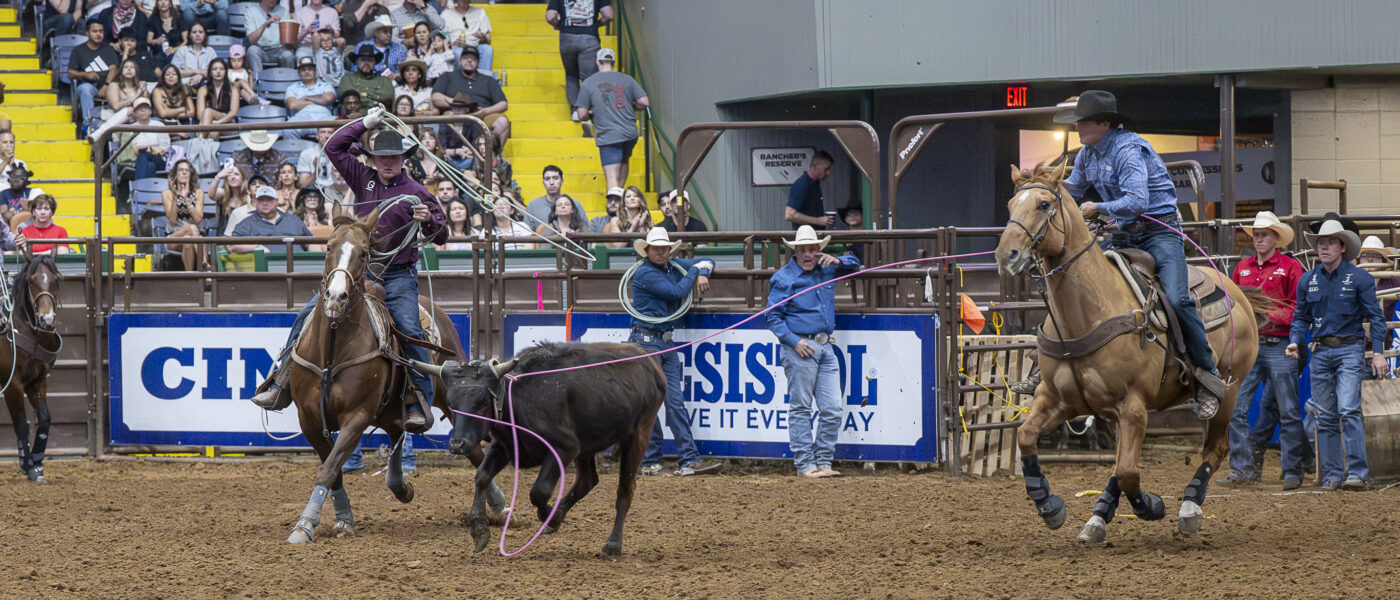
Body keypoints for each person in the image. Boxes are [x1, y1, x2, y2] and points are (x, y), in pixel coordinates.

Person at [249, 107, 448, 437]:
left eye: (394, 156)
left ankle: (419, 403)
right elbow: (334, 147)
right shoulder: (362, 177)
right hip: (360, 272)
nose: (388, 162)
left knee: (411, 327)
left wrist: (429, 219)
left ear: (403, 158)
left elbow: (441, 236)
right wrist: (365, 123)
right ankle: (282, 380)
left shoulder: (417, 192)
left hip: (398, 275)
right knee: (308, 315)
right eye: (381, 156)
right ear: (372, 158)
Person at [1056, 89, 1226, 418]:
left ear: (1104, 123)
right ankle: (1051, 364)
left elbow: (1137, 201)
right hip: (1122, 234)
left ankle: (1207, 375)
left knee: (1178, 299)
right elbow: (1071, 188)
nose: (1078, 128)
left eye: (1084, 121)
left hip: (1159, 234)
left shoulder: (1129, 149)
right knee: (1076, 277)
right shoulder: (1087, 154)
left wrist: (1097, 208)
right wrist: (1038, 190)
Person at [1288, 220, 1387, 492]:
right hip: (1321, 350)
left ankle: (1355, 473)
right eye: (1321, 243)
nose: (1324, 247)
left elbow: (1376, 319)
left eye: (1330, 242)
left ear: (1342, 247)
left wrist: (1377, 353)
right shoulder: (1309, 280)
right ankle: (1333, 475)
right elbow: (1300, 318)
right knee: (1326, 414)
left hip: (1350, 348)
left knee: (1347, 409)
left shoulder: (1358, 278)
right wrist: (1296, 342)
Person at [1218, 211, 1307, 490]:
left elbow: (1298, 308)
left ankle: (1291, 469)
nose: (1258, 239)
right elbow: (1231, 305)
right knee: (1236, 408)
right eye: (1256, 235)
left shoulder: (1291, 268)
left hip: (1279, 344)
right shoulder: (1242, 268)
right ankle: (1244, 469)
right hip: (1249, 347)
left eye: (1264, 235)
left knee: (1288, 409)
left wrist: (1266, 314)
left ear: (1276, 239)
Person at [766, 225, 860, 478]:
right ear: (795, 251)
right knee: (801, 407)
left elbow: (856, 264)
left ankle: (824, 461)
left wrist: (839, 259)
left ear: (819, 250)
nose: (808, 254)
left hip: (825, 346)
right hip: (801, 348)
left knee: (831, 408)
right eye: (803, 250)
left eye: (813, 249)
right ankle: (806, 464)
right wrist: (794, 342)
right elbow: (773, 317)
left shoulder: (828, 268)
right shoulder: (784, 278)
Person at [626, 227, 721, 476]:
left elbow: (708, 260)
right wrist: (696, 271)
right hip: (646, 343)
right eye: (657, 248)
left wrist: (703, 270)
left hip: (664, 343)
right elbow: (677, 292)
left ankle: (686, 458)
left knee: (674, 402)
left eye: (664, 248)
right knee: (652, 404)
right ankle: (650, 459)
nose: (661, 252)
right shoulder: (645, 273)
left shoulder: (671, 266)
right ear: (647, 250)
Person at [575, 48, 647, 190]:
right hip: (630, 133)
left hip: (609, 135)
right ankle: (621, 202)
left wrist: (591, 113)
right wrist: (632, 106)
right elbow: (644, 102)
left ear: (597, 62)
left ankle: (615, 207)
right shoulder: (627, 79)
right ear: (613, 62)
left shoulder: (589, 83)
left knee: (612, 177)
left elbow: (581, 114)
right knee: (624, 163)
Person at [430, 46, 510, 147]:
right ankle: (447, 156)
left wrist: (486, 111)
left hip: (482, 115)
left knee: (502, 122)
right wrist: (457, 103)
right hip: (455, 113)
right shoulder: (448, 76)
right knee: (447, 117)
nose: (469, 60)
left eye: (473, 58)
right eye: (465, 57)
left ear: (478, 63)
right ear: (460, 61)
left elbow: (503, 104)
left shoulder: (489, 80)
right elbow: (435, 97)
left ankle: (493, 159)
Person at [544, 0, 612, 115]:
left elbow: (550, 16)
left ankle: (576, 111)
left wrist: (559, 24)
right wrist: (597, 24)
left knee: (571, 75)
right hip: (589, 37)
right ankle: (588, 110)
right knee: (589, 77)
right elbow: (609, 15)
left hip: (567, 37)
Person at [68, 19, 120, 131]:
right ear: (87, 33)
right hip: (91, 86)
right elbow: (70, 73)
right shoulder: (79, 50)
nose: (98, 34)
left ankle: (114, 127)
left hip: (109, 86)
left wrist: (107, 86)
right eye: (95, 31)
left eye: (101, 31)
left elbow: (114, 68)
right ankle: (89, 124)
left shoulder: (108, 49)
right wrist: (86, 75)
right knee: (84, 88)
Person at [229, 185, 314, 253]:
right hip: (266, 270)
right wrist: (256, 247)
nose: (265, 203)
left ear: (277, 201)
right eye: (261, 200)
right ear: (255, 202)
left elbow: (312, 243)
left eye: (269, 199)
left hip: (300, 268)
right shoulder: (246, 224)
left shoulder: (293, 221)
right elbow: (233, 246)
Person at [86, 58, 149, 143]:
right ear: (121, 71)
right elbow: (116, 107)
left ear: (136, 71)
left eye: (132, 67)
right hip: (114, 116)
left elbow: (146, 107)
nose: (129, 69)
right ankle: (101, 134)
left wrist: (142, 92)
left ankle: (99, 133)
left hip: (135, 119)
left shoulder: (141, 87)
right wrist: (136, 96)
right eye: (126, 67)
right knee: (128, 110)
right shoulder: (114, 85)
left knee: (132, 111)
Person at [162, 159, 206, 270]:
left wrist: (186, 199)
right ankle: (206, 264)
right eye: (181, 170)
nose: (184, 172)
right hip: (173, 236)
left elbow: (198, 219)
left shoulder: (198, 193)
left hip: (192, 238)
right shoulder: (167, 194)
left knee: (188, 239)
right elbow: (172, 219)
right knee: (191, 229)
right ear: (175, 174)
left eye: (187, 170)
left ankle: (190, 276)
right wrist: (177, 196)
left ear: (191, 174)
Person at [284, 56, 338, 140]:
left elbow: (329, 99)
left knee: (342, 126)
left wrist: (305, 98)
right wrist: (319, 100)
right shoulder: (292, 88)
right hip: (303, 118)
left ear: (315, 71)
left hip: (325, 117)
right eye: (303, 69)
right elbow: (292, 105)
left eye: (310, 69)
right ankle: (295, 152)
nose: (307, 71)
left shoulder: (326, 85)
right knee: (288, 129)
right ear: (298, 72)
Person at [244, 0, 295, 79]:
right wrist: (266, 23)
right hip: (261, 49)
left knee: (288, 55)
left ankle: (286, 85)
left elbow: (287, 41)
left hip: (279, 49)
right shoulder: (251, 12)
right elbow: (251, 40)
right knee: (252, 50)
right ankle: (259, 83)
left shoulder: (283, 11)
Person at [785, 151, 835, 230]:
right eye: (826, 169)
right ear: (815, 166)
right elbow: (790, 215)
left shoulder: (815, 184)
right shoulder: (802, 185)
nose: (828, 173)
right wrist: (818, 221)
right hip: (805, 237)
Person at [440, 0, 492, 74]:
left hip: (475, 44)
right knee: (458, 52)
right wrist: (452, 43)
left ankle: (484, 80)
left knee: (487, 49)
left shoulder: (480, 12)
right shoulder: (446, 14)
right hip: (455, 45)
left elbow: (489, 39)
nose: (465, 1)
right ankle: (460, 80)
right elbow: (440, 37)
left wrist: (484, 38)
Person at [124, 98, 171, 179]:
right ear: (135, 113)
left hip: (159, 159)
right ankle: (143, 189)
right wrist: (152, 148)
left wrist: (147, 150)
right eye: (140, 109)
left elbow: (164, 148)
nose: (143, 110)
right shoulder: (131, 129)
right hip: (138, 161)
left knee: (143, 156)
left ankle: (138, 187)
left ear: (150, 111)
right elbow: (134, 150)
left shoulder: (159, 125)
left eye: (146, 108)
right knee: (149, 165)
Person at [339, 45, 397, 109]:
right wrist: (373, 102)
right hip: (354, 115)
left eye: (370, 60)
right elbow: (346, 98)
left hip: (380, 115)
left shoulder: (384, 80)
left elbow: (388, 97)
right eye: (363, 60)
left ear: (375, 63)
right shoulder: (348, 78)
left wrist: (364, 95)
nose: (366, 63)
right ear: (356, 62)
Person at [297, 127, 344, 205]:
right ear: (317, 135)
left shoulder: (342, 154)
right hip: (314, 191)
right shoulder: (307, 154)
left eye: (329, 132)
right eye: (322, 132)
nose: (326, 135)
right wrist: (317, 171)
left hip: (336, 191)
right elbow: (303, 184)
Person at [196, 58, 239, 136]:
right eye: (215, 69)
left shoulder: (233, 88)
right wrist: (211, 123)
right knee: (213, 133)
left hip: (227, 123)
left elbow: (233, 112)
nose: (218, 72)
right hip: (208, 123)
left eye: (221, 69)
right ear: (210, 72)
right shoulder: (203, 89)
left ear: (225, 72)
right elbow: (200, 115)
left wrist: (218, 122)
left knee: (209, 111)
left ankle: (199, 140)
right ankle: (202, 141)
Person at [208, 160, 250, 234]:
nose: (233, 177)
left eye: (236, 174)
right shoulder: (224, 193)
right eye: (230, 174)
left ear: (243, 178)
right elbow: (211, 195)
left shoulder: (248, 197)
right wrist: (218, 176)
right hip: (224, 238)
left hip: (244, 236)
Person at [171, 22, 216, 86]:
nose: (197, 35)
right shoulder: (183, 50)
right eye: (194, 32)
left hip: (206, 85)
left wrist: (201, 75)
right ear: (189, 35)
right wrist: (196, 71)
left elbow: (215, 71)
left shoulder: (210, 51)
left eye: (200, 32)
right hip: (185, 85)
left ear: (205, 34)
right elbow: (173, 72)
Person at [145, 0, 187, 67]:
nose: (163, 2)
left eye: (165, 0)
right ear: (157, 4)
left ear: (170, 3)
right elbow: (148, 40)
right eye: (160, 0)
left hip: (177, 52)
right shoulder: (153, 18)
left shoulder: (178, 17)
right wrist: (157, 41)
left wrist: (174, 49)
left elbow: (186, 41)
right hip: (159, 54)